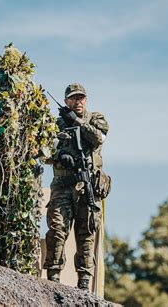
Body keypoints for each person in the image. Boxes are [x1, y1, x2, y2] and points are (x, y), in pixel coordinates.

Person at [44, 83, 109, 290]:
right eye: (73, 98)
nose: (78, 101)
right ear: (66, 101)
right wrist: (59, 156)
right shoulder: (56, 125)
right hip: (63, 185)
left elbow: (98, 138)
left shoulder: (95, 118)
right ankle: (53, 276)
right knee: (57, 229)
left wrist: (77, 122)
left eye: (81, 98)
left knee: (86, 231)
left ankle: (84, 280)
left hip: (86, 183)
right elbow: (44, 151)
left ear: (86, 100)